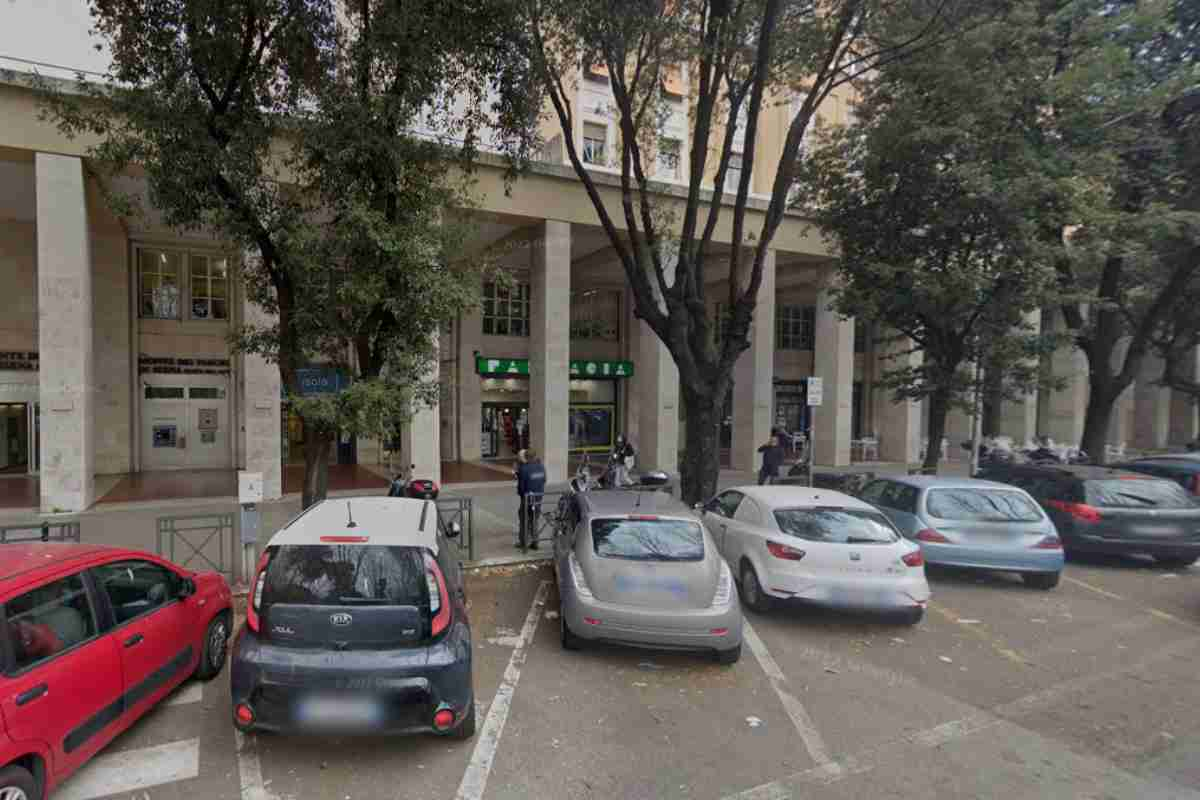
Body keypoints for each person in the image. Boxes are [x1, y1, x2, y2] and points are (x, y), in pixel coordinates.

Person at [516, 450, 547, 550]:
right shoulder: (541, 467)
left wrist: (522, 494)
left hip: (527, 498)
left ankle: (523, 542)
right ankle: (535, 542)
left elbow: (521, 487)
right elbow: (544, 480)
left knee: (524, 519)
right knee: (534, 520)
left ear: (526, 457)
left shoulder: (524, 468)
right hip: (538, 497)